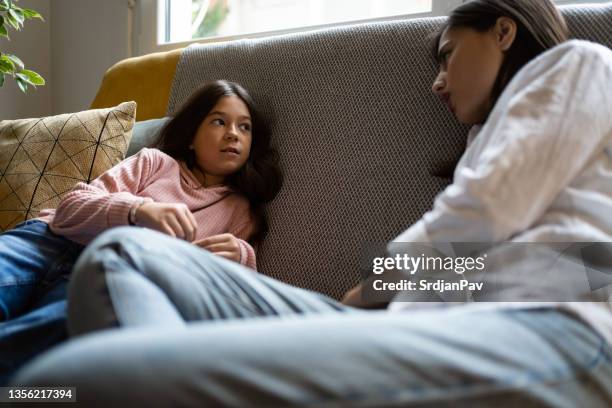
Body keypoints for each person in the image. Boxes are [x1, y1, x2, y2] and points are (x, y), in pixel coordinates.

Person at [12, 1, 612, 406]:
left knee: (60, 383)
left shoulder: (578, 65)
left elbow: (578, 265)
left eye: (449, 54)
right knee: (122, 257)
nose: (437, 81)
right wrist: (388, 288)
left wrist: (379, 277)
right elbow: (478, 254)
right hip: (405, 326)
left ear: (503, 30)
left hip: (552, 326)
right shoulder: (489, 137)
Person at [0, 80, 282, 384]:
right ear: (191, 136)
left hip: (104, 276)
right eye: (219, 121)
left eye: (245, 127)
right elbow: (70, 209)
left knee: (44, 345)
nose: (232, 133)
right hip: (48, 241)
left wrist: (242, 256)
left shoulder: (242, 212)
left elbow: (241, 298)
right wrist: (137, 210)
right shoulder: (153, 162)